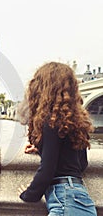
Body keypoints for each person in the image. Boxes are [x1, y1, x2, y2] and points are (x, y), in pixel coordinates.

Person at [17, 62, 97, 215]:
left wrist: (29, 194)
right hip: (82, 199)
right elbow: (81, 164)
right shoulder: (75, 123)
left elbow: (48, 169)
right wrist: (41, 148)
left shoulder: (50, 122)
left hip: (64, 201)